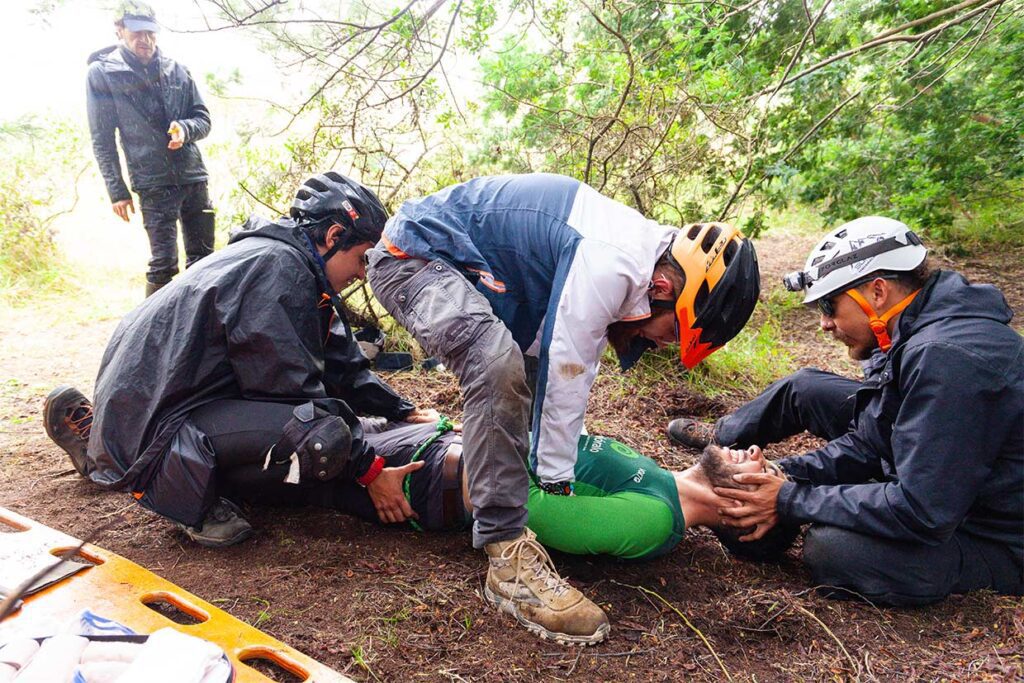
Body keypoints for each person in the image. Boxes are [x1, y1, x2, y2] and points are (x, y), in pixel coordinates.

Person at [367, 173, 761, 644]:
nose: (663, 345)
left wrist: (550, 463)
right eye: (674, 331)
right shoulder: (613, 261)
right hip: (413, 258)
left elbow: (563, 366)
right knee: (496, 365)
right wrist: (556, 481)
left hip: (482, 278)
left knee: (523, 371)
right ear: (661, 287)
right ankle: (507, 561)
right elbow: (570, 370)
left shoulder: (629, 256)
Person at [43, 172, 441, 548]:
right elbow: (293, 393)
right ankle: (173, 488)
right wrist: (370, 471)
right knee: (320, 431)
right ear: (334, 236)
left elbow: (342, 365)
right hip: (158, 423)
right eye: (362, 259)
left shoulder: (290, 264)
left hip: (163, 407)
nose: (363, 275)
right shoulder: (278, 270)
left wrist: (401, 410)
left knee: (321, 425)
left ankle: (107, 449)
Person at [702, 216, 1023, 606]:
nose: (825, 324)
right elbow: (870, 443)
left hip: (1000, 538)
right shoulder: (914, 330)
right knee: (806, 391)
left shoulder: (946, 358)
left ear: (877, 291)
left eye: (829, 305)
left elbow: (923, 511)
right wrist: (781, 475)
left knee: (834, 549)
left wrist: (788, 500)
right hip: (952, 496)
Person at [87, 1, 216, 296]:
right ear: (120, 31)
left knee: (204, 260)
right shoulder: (103, 73)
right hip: (152, 182)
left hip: (193, 176)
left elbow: (203, 120)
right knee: (163, 263)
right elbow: (102, 138)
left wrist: (185, 129)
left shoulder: (177, 70)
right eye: (137, 32)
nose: (145, 39)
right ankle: (153, 325)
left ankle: (202, 322)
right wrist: (117, 190)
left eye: (150, 33)